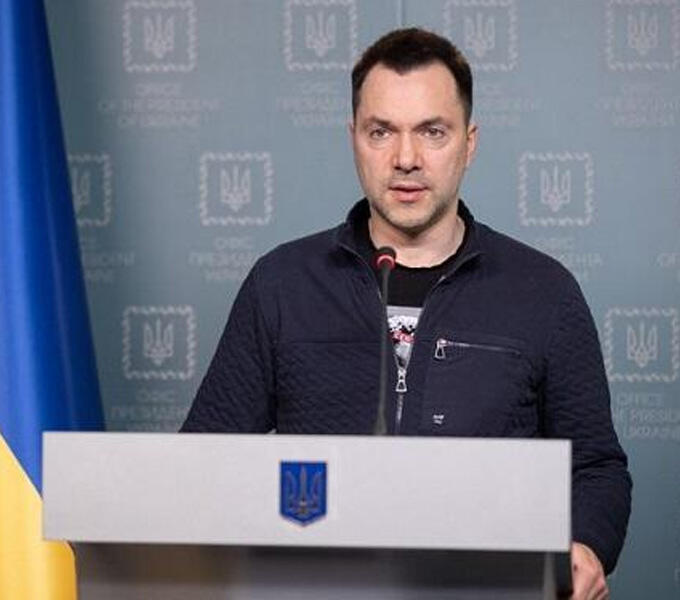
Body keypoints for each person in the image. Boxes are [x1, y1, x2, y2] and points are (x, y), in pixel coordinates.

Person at [182, 27, 631, 599]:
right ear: (353, 139)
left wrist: (586, 545)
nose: (406, 159)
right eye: (381, 132)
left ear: (469, 142)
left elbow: (596, 467)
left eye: (432, 132)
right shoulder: (281, 285)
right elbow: (202, 462)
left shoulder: (545, 292)